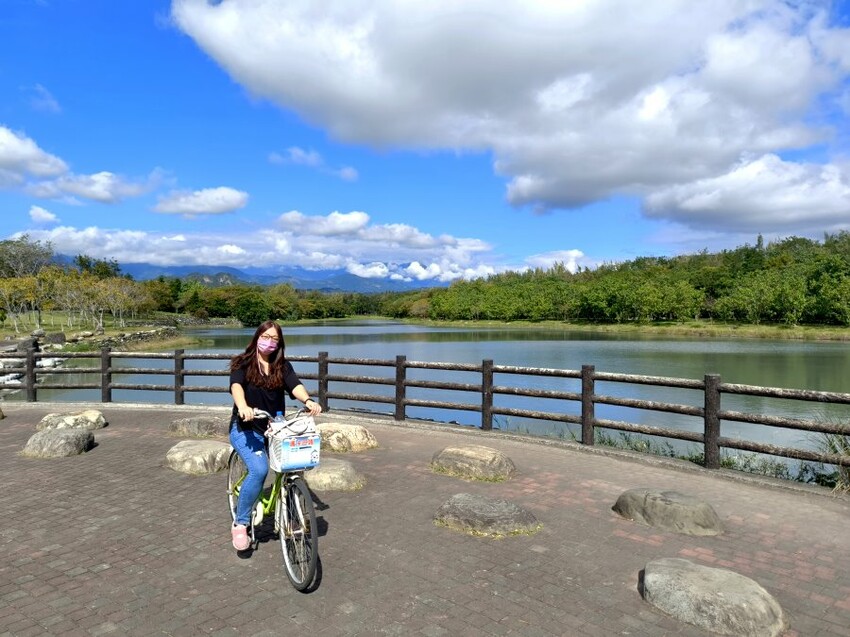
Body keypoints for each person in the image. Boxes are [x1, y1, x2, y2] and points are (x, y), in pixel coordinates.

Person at [228, 320, 322, 551]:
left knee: (292, 467)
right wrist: (243, 406)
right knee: (259, 470)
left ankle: (289, 515)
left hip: (275, 429)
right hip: (246, 428)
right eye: (266, 336)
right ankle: (240, 523)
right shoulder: (243, 362)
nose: (269, 342)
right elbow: (236, 386)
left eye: (275, 339)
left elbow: (295, 386)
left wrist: (308, 400)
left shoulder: (282, 366)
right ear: (257, 336)